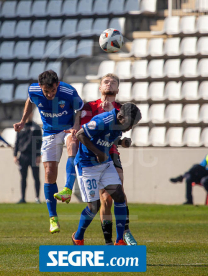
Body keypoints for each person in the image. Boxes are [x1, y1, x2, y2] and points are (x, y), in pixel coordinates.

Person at [13, 70, 83, 234]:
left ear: (57, 85)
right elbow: (29, 102)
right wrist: (23, 121)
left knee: (73, 145)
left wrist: (76, 126)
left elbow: (80, 108)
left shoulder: (68, 91)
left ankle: (67, 189)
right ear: (40, 87)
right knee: (49, 173)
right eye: (47, 92)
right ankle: (53, 218)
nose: (50, 94)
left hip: (67, 129)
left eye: (53, 90)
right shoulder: (34, 90)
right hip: (49, 132)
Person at [71, 103, 141, 246]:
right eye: (129, 124)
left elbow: (107, 137)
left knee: (119, 195)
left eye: (132, 126)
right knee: (94, 207)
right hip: (87, 165)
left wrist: (121, 141)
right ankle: (78, 237)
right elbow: (80, 134)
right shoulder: (103, 120)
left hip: (105, 164)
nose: (129, 128)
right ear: (121, 116)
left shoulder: (119, 124)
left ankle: (120, 240)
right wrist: (99, 153)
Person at [80, 73, 137, 245]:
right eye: (106, 81)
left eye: (113, 82)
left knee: (117, 192)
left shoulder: (122, 109)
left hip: (111, 151)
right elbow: (84, 132)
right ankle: (108, 240)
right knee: (104, 199)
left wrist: (122, 141)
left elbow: (117, 134)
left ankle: (125, 232)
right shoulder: (89, 107)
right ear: (100, 87)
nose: (109, 84)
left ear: (117, 89)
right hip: (93, 153)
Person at [170, 139, 208, 205]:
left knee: (196, 166)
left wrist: (205, 168)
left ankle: (182, 177)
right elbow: (202, 164)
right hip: (205, 172)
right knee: (189, 178)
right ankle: (189, 200)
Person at [14, 113, 42, 204]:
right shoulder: (20, 127)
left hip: (34, 155)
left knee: (36, 177)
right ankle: (23, 198)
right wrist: (15, 155)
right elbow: (17, 141)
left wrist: (38, 155)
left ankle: (37, 198)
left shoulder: (36, 127)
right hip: (23, 155)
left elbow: (39, 142)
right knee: (23, 177)